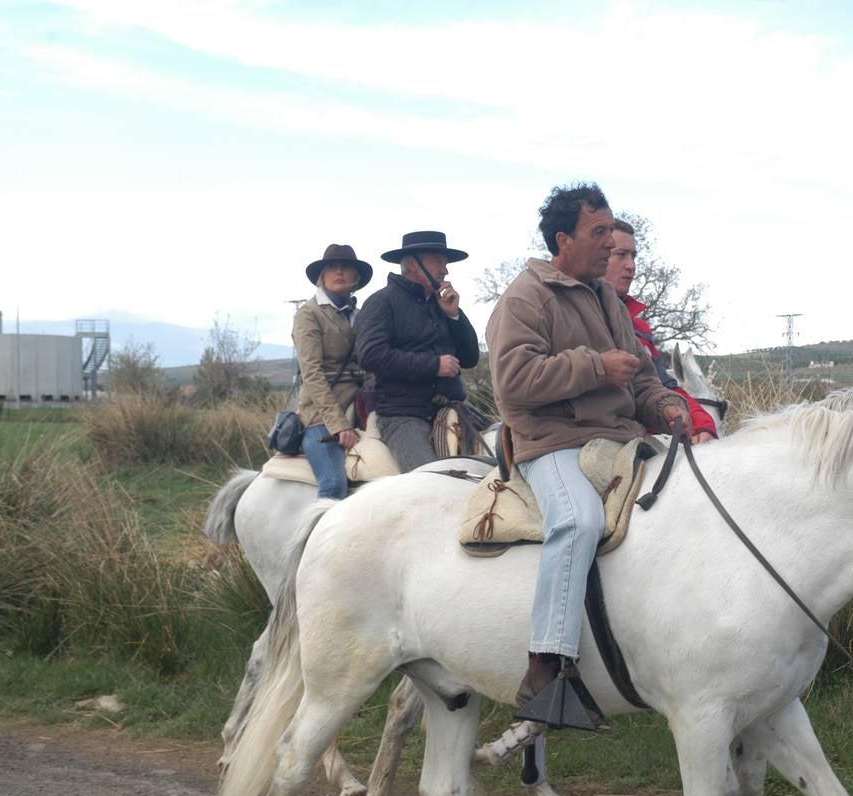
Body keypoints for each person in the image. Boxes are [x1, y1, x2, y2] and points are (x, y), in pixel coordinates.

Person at [487, 183, 690, 727]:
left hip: (617, 438)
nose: (610, 244)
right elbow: (513, 382)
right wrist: (595, 367)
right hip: (552, 442)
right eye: (598, 233)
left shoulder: (606, 298)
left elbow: (642, 379)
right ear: (563, 239)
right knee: (577, 519)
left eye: (612, 232)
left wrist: (666, 405)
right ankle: (546, 668)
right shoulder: (526, 296)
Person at [355, 231, 481, 471]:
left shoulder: (442, 304)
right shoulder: (381, 302)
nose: (445, 270)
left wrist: (454, 315)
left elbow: (471, 357)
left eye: (445, 263)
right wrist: (434, 365)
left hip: (451, 408)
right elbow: (371, 355)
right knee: (433, 477)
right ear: (413, 263)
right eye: (437, 261)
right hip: (403, 415)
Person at [605, 219, 718, 443]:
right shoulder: (571, 315)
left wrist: (700, 424)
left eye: (633, 256)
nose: (631, 265)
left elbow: (664, 386)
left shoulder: (639, 328)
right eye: (621, 255)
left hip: (648, 442)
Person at [292, 243, 372, 500]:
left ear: (356, 277)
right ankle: (317, 539)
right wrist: (338, 425)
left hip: (361, 409)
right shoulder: (309, 314)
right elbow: (312, 373)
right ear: (322, 276)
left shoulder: (361, 316)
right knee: (334, 484)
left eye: (346, 267)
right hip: (321, 416)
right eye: (332, 268)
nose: (339, 272)